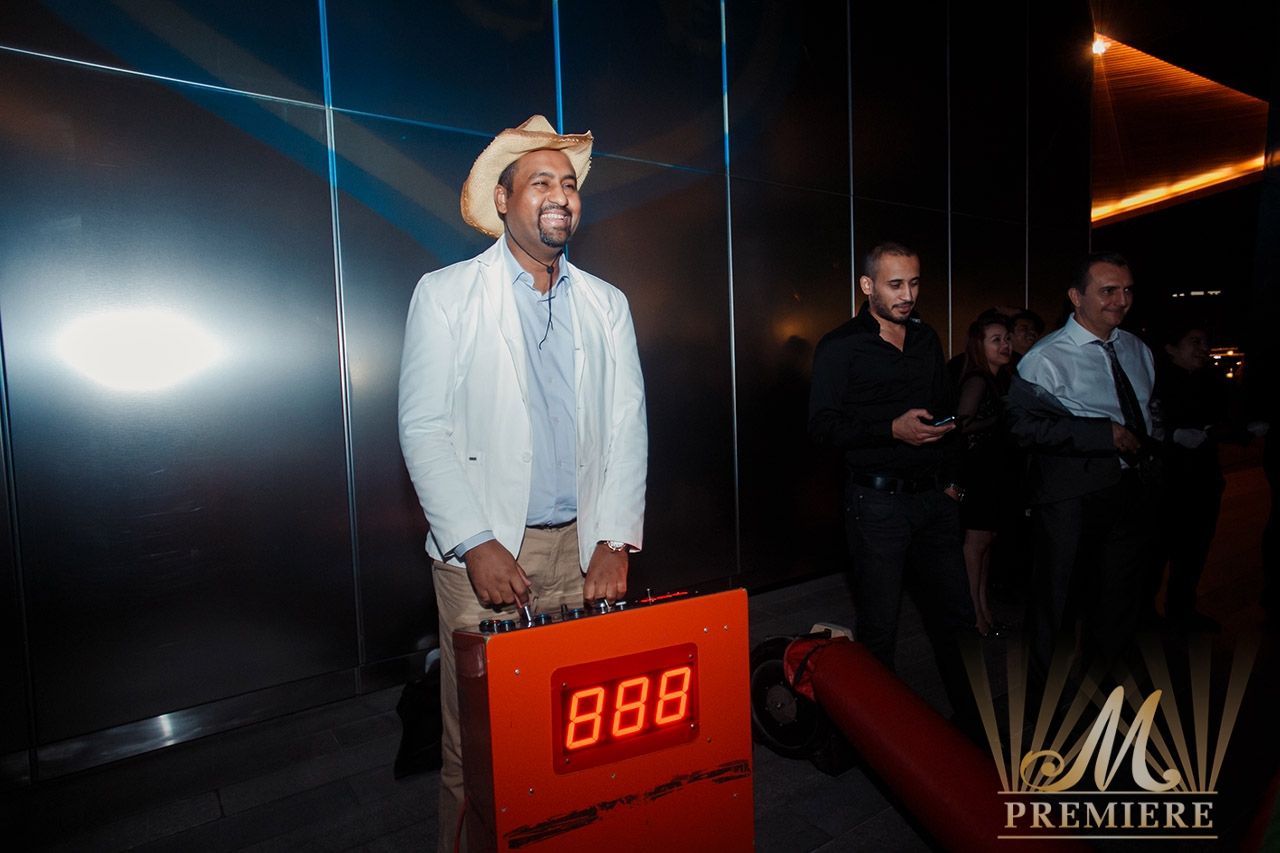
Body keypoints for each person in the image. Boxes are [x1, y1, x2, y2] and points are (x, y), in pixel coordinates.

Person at [398, 115, 647, 852]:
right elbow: (423, 428)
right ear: (503, 200)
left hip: (584, 555)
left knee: (577, 739)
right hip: (489, 559)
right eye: (541, 182)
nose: (561, 195)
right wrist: (474, 542)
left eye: (569, 183)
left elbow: (628, 426)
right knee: (478, 749)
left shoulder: (607, 303)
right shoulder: (446, 294)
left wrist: (614, 540)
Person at [809, 241, 980, 735]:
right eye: (895, 284)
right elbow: (821, 426)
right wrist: (890, 429)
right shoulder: (840, 346)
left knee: (957, 619)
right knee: (881, 625)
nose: (908, 295)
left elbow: (947, 412)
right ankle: (881, 737)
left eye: (914, 283)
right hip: (877, 503)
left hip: (935, 501)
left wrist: (954, 484)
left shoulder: (926, 339)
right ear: (868, 286)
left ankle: (975, 728)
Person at [1005, 251, 1160, 707]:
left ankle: (1103, 696)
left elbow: (1149, 413)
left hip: (1129, 492)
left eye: (1127, 290)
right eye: (1108, 290)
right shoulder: (1045, 357)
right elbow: (1020, 428)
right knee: (1057, 605)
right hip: (1070, 497)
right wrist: (1101, 434)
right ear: (1076, 297)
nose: (1121, 300)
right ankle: (1044, 705)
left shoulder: (1137, 349)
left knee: (1118, 603)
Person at [1153, 325, 1247, 632]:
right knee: (1156, 550)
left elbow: (1229, 420)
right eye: (1195, 342)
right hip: (1166, 481)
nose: (1204, 348)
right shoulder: (1155, 382)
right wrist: (1174, 435)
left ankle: (1181, 608)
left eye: (1206, 342)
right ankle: (1143, 614)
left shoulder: (1212, 382)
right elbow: (1146, 427)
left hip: (1204, 479)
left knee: (1194, 549)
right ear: (1171, 347)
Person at [955, 313, 1016, 637]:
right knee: (976, 544)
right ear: (980, 345)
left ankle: (984, 612)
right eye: (997, 340)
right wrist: (998, 419)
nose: (1005, 345)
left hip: (995, 473)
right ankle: (974, 617)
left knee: (987, 542)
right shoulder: (978, 380)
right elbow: (960, 425)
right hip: (978, 475)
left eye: (1007, 338)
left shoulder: (1000, 379)